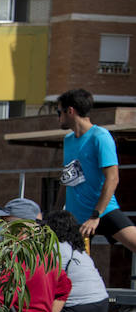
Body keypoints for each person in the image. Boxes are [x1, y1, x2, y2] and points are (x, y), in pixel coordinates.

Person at [58, 88, 131, 252]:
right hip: (75, 218)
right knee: (73, 266)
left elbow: (113, 178)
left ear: (70, 111)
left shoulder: (100, 136)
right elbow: (67, 177)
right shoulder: (68, 140)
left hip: (103, 212)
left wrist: (96, 216)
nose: (58, 117)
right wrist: (56, 211)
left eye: (59, 112)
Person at [42, 209, 109, 312]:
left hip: (80, 309)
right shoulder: (78, 248)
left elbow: (49, 282)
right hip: (101, 306)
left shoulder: (57, 248)